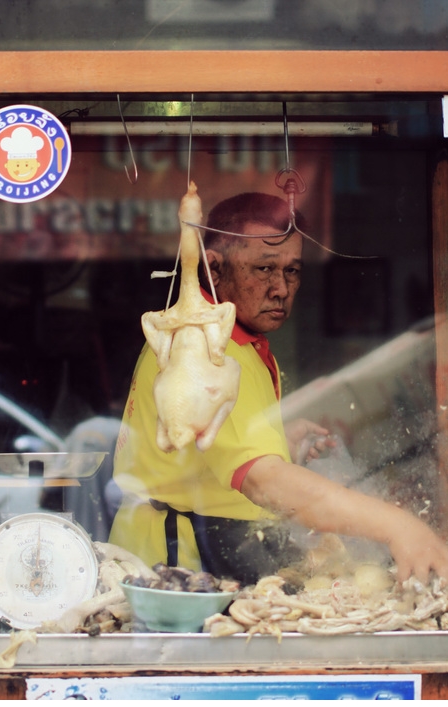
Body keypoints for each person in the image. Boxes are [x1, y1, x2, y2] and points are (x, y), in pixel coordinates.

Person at [109, 191, 448, 586]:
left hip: (212, 549)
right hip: (175, 569)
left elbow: (203, 451)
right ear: (213, 269)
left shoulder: (228, 337)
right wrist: (400, 527)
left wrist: (274, 440)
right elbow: (263, 481)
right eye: (264, 269)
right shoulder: (200, 347)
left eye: (292, 271)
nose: (281, 289)